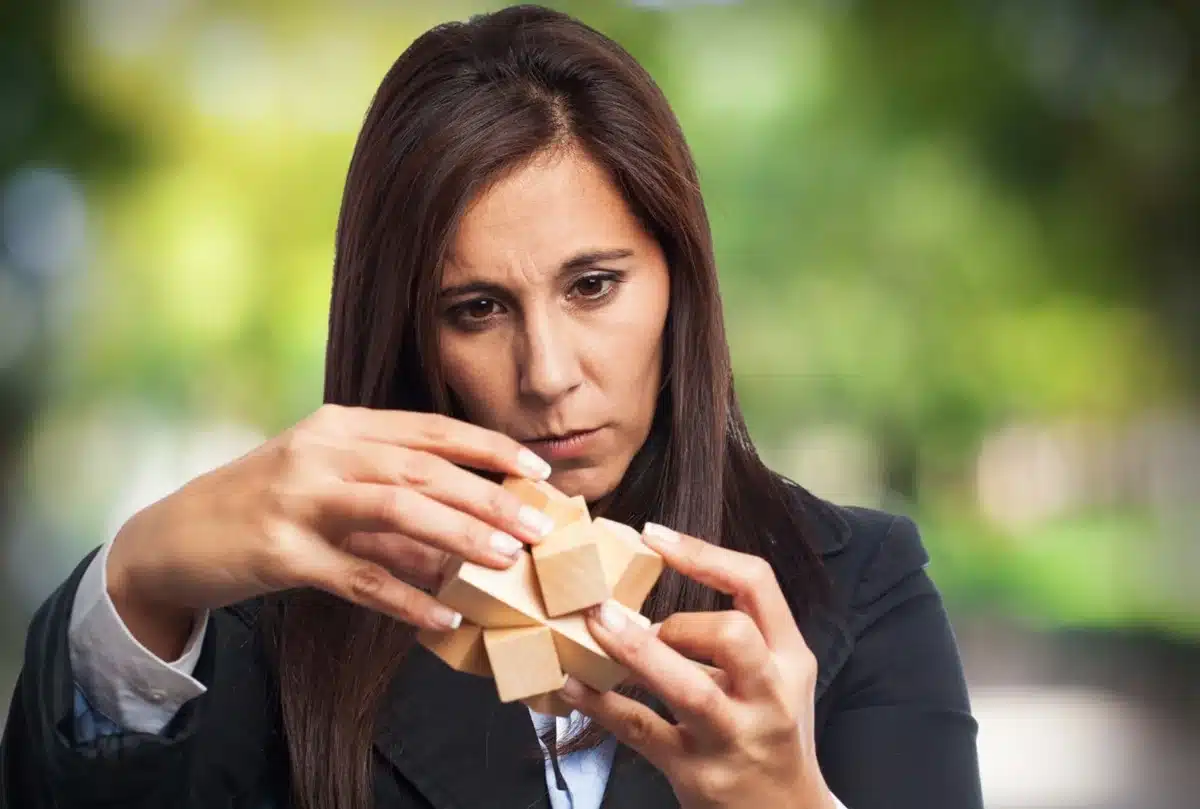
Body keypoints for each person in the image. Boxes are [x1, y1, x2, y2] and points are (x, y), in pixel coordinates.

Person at [0, 5, 983, 808]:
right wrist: (138, 581)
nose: (548, 372)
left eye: (593, 285)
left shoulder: (860, 582)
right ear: (406, 333)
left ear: (678, 279)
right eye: (477, 308)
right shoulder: (284, 624)